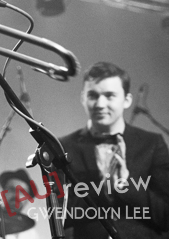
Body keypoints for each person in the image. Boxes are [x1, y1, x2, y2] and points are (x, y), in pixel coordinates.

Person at [57, 61, 169, 238]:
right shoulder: (63, 146)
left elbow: (166, 217)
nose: (100, 104)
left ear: (127, 100)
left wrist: (125, 185)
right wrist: (103, 189)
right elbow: (58, 216)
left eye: (109, 96)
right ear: (83, 98)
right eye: (93, 95)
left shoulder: (152, 143)